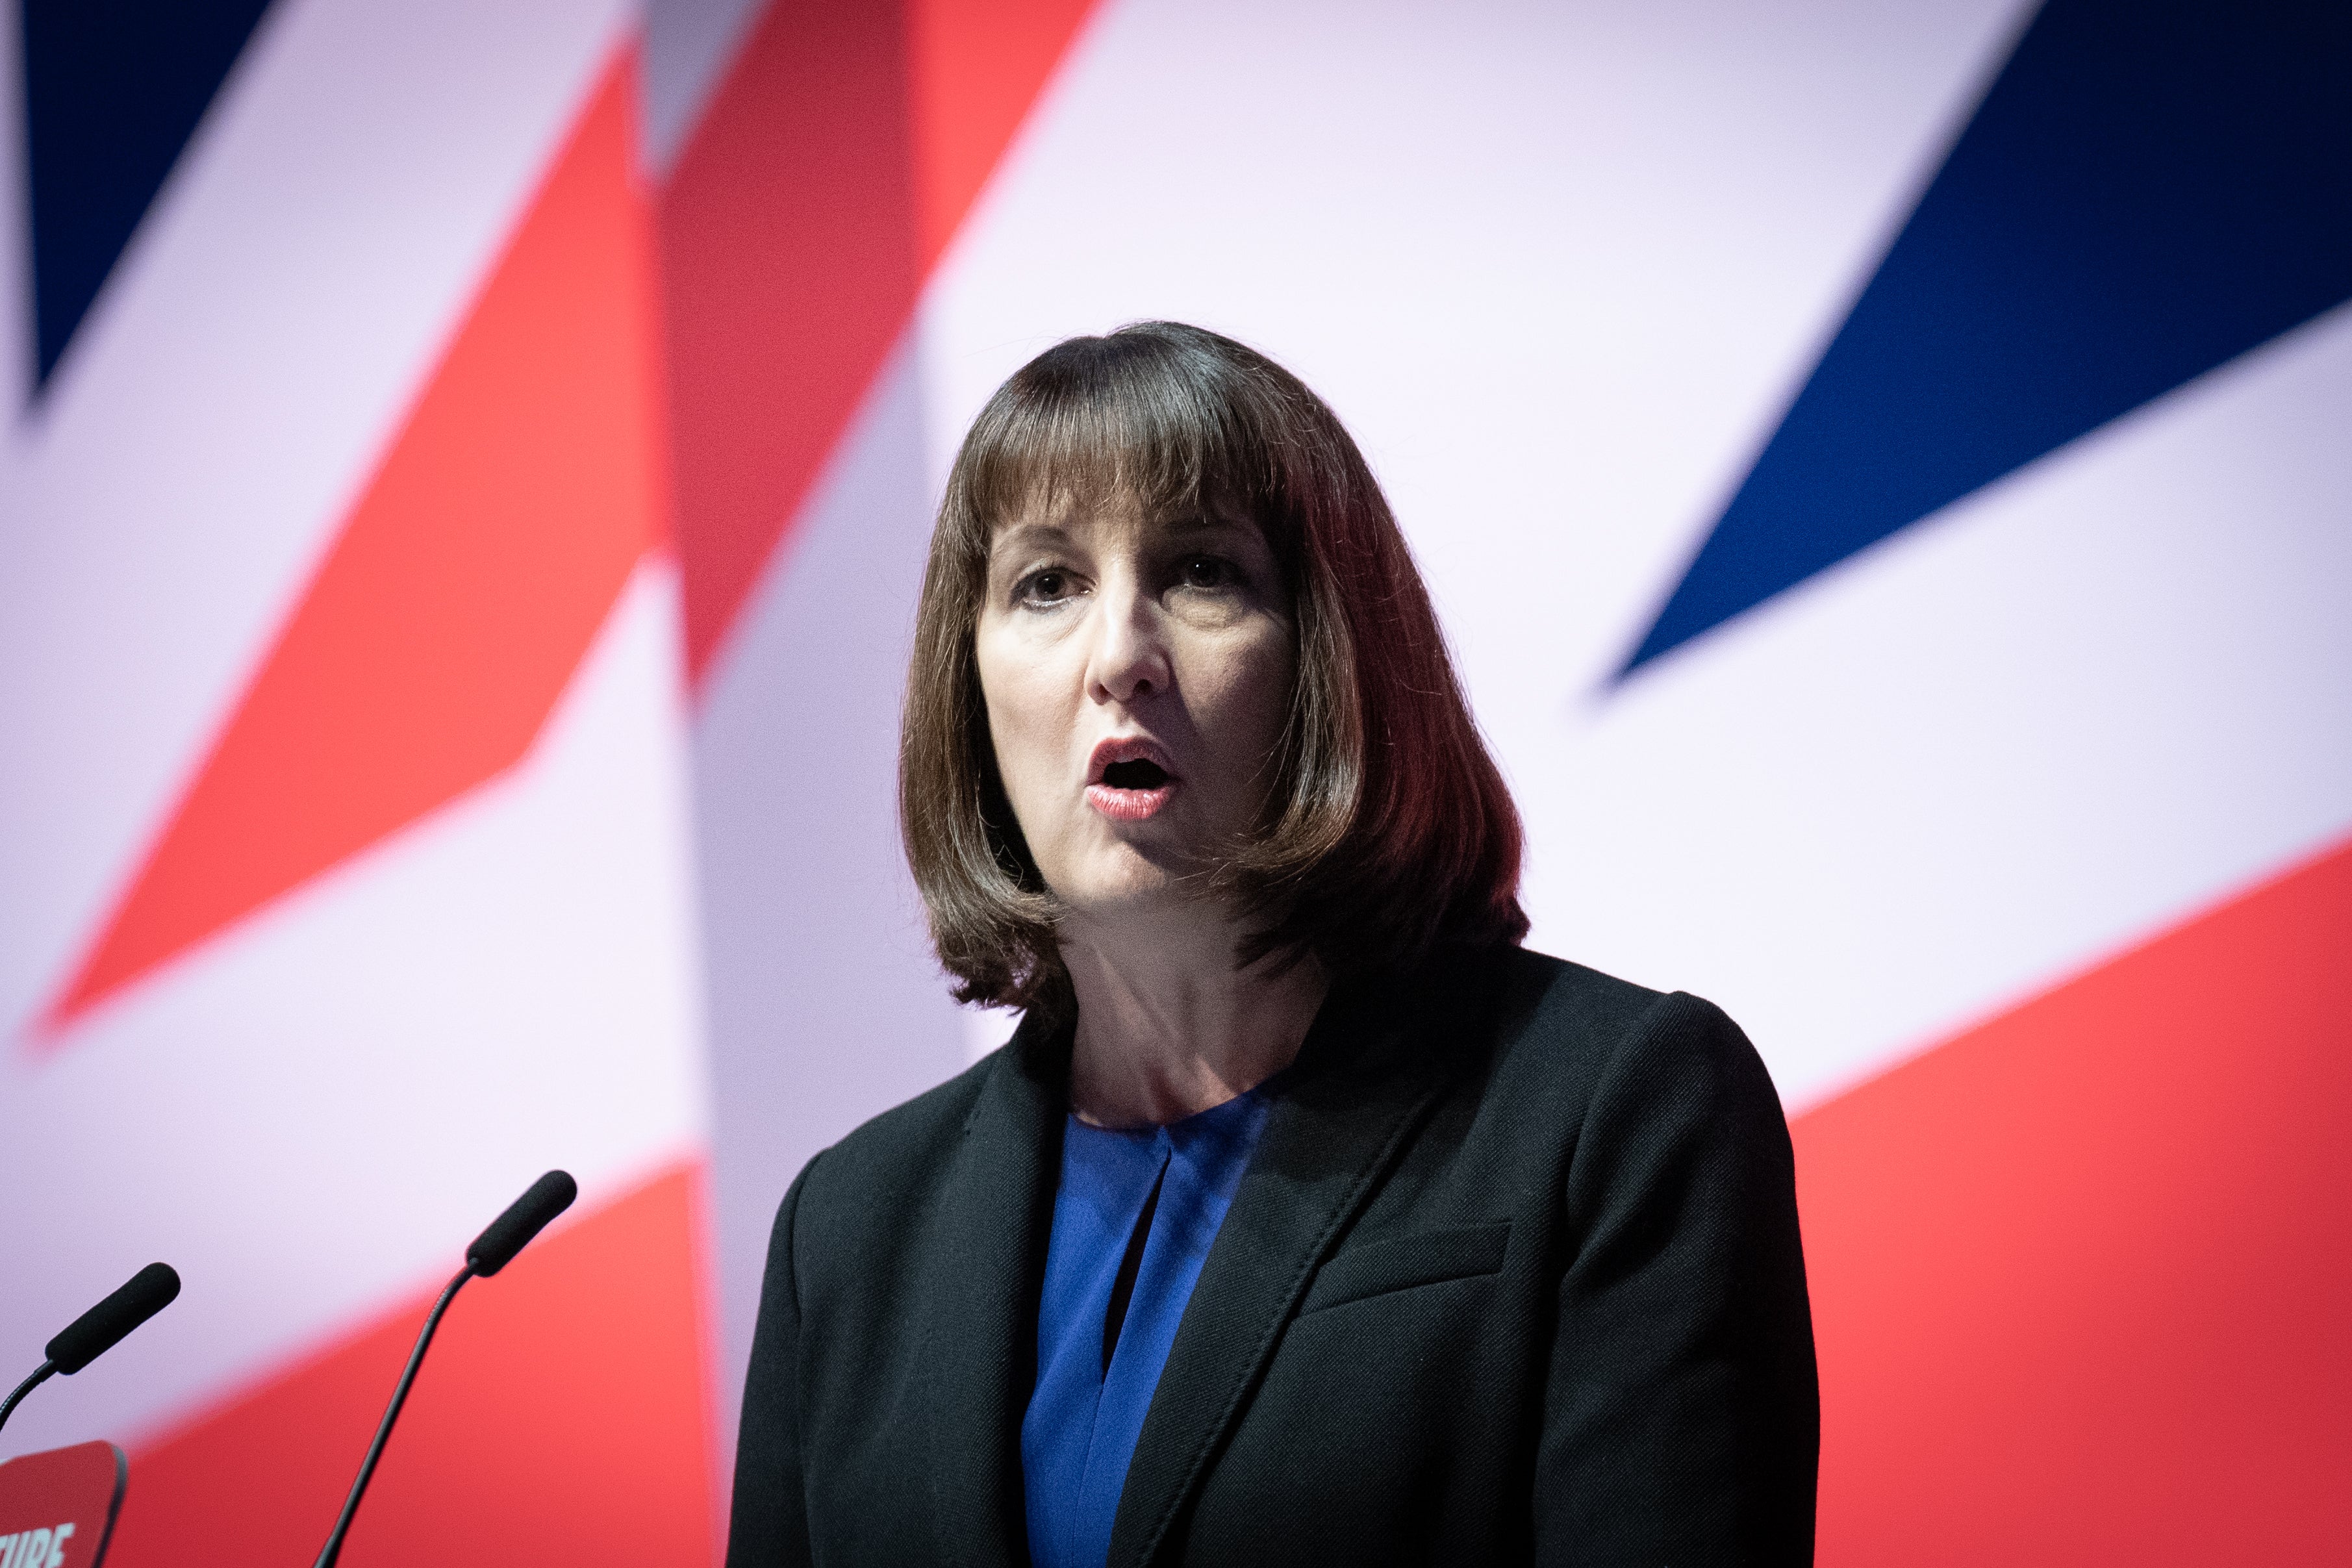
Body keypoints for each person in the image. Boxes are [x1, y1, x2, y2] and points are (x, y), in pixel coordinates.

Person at [726, 322, 1818, 1567]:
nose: (1118, 658)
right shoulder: (851, 1229)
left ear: (1326, 657)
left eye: (1198, 572)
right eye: (1046, 584)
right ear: (965, 678)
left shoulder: (1613, 1111)